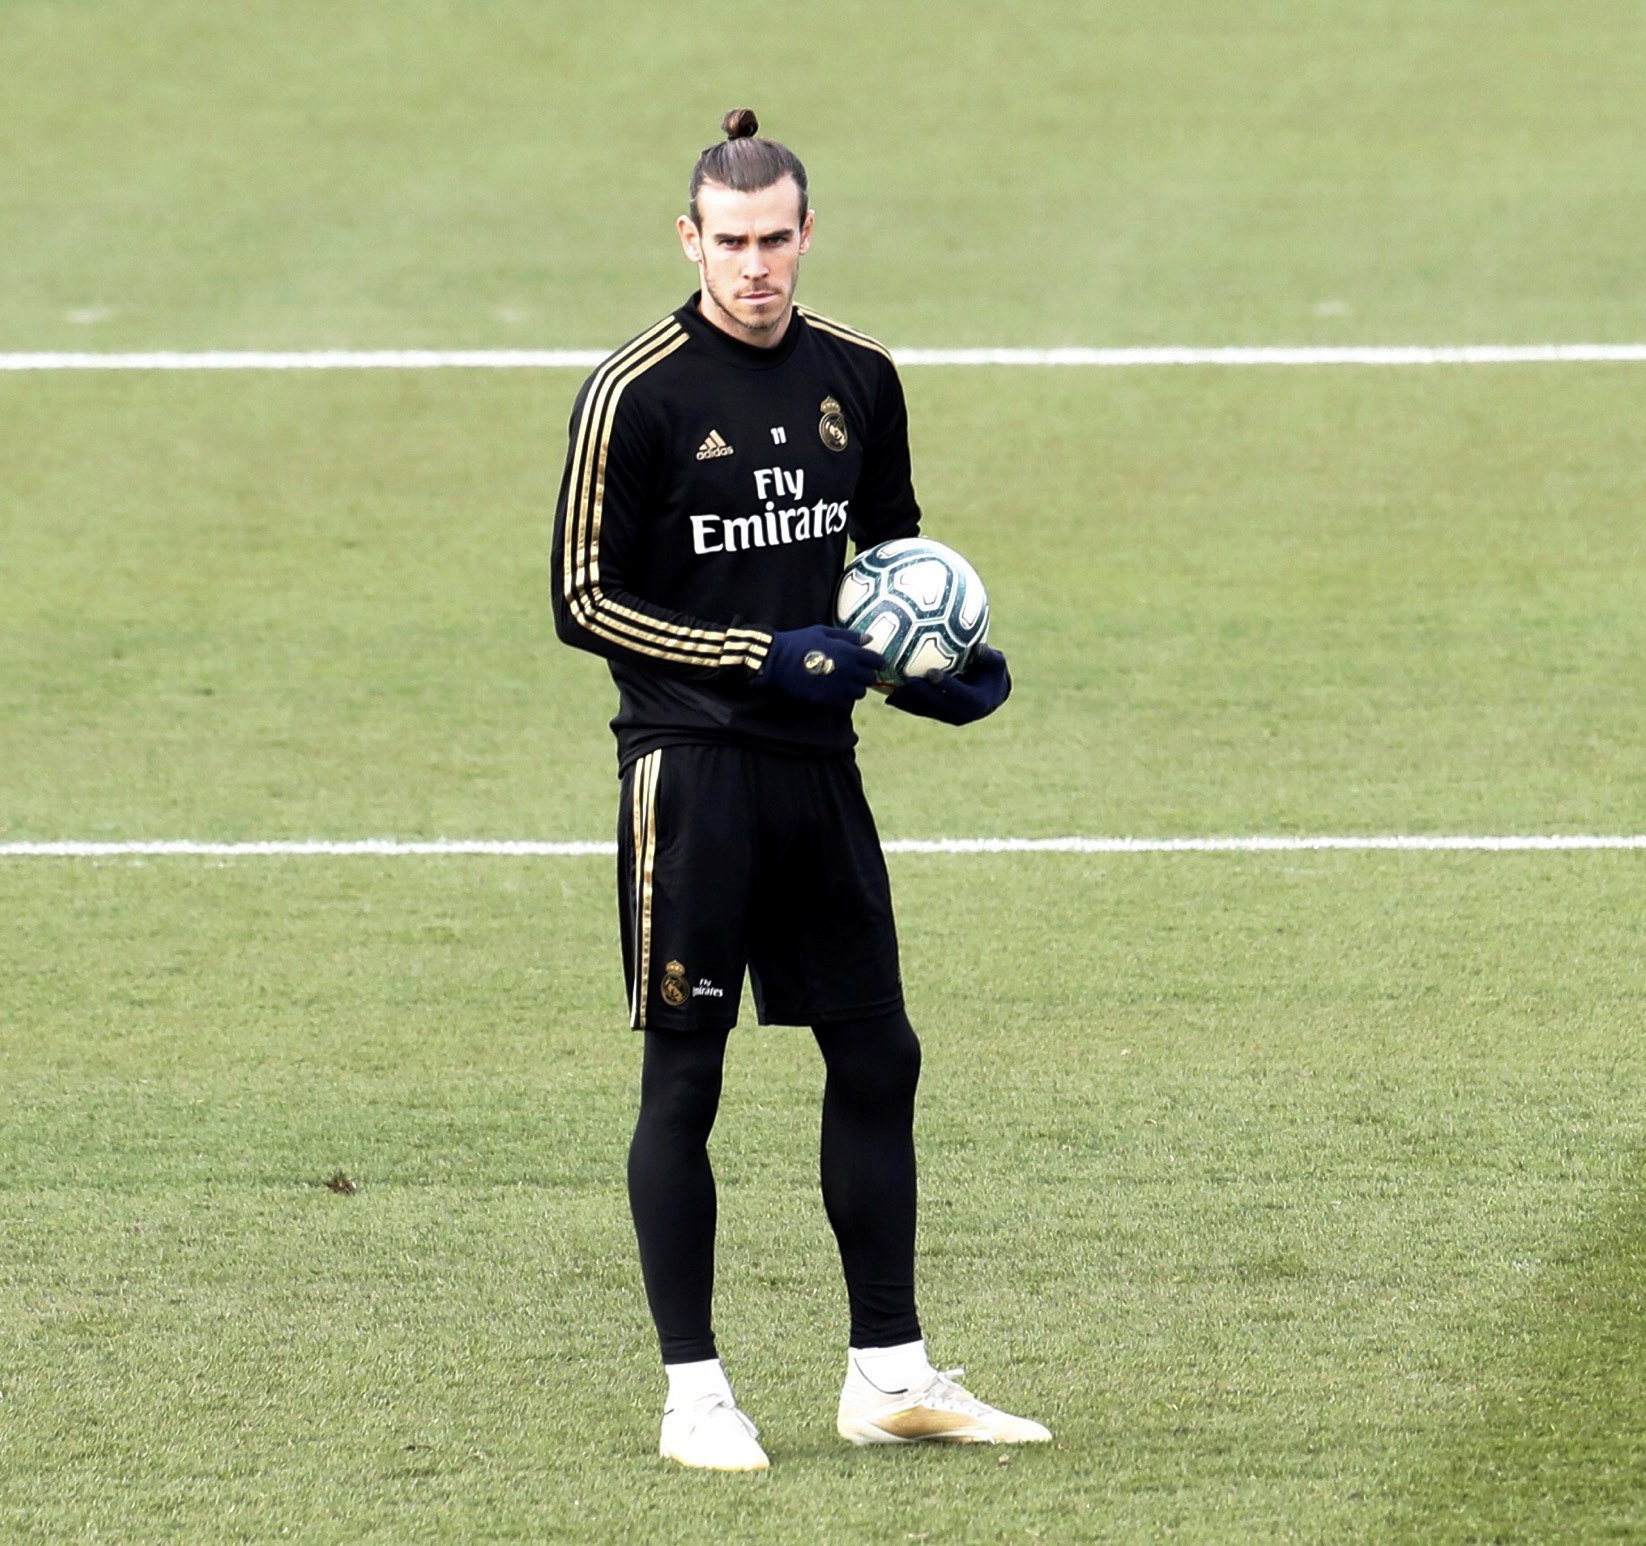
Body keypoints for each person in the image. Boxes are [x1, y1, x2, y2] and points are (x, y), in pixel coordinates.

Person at [549, 109, 1049, 1473]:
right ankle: (693, 1392)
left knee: (878, 1050)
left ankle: (889, 1371)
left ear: (806, 232)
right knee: (684, 1078)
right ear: (688, 237)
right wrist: (755, 653)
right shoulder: (635, 392)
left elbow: (880, 559)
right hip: (690, 771)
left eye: (775, 240)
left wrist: (921, 672)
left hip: (816, 775)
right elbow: (581, 598)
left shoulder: (859, 376)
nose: (754, 266)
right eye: (731, 242)